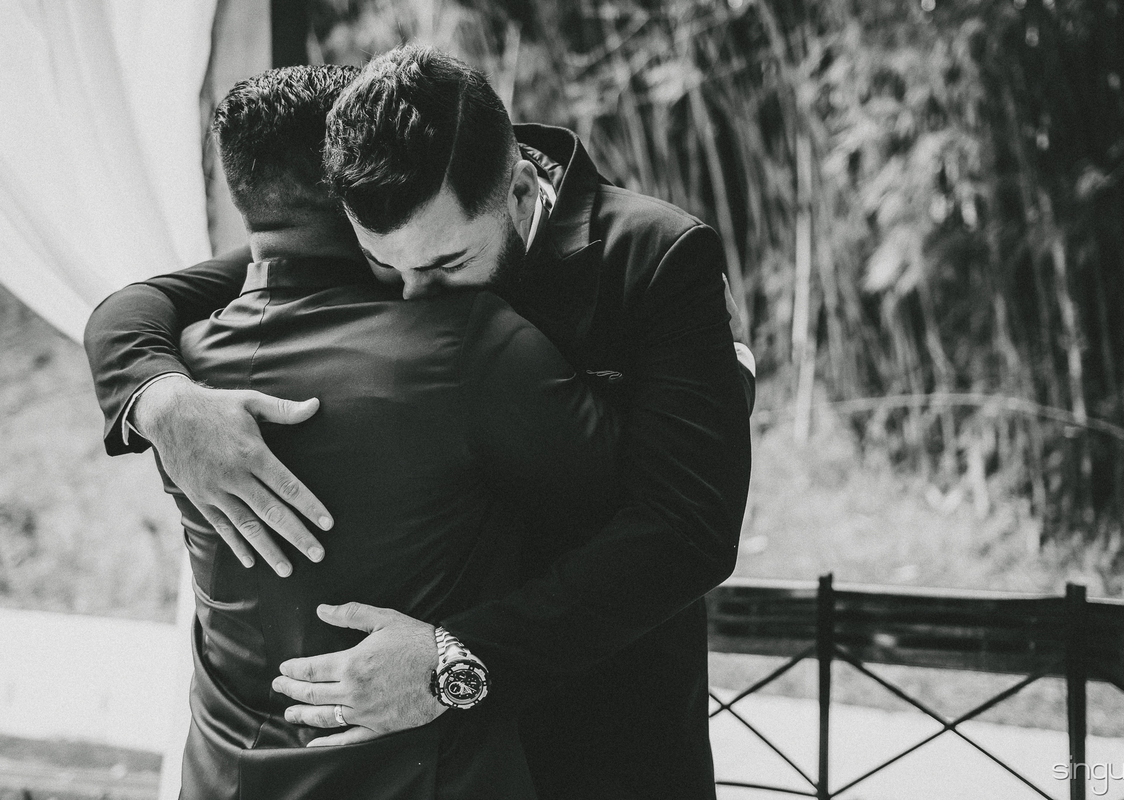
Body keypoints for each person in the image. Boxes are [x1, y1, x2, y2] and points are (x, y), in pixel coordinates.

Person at [85, 44, 753, 799]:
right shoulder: (401, 217)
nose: (407, 300)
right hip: (440, 761)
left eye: (441, 270)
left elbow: (687, 532)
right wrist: (160, 399)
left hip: (601, 733)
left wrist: (454, 662)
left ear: (522, 191)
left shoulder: (659, 257)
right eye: (381, 266)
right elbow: (134, 308)